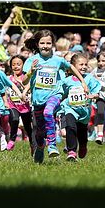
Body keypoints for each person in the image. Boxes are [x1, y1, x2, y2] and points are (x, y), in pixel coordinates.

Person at [23, 30, 87, 163]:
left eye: (48, 43)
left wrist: (83, 81)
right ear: (37, 44)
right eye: (42, 43)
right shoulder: (31, 60)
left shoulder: (58, 60)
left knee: (48, 112)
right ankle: (40, 147)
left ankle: (52, 145)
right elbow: (23, 81)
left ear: (52, 44)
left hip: (55, 95)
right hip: (38, 99)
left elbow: (72, 68)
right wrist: (30, 72)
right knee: (40, 131)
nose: (45, 46)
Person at [60, 53, 101, 161]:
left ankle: (83, 145)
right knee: (70, 127)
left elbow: (98, 92)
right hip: (70, 109)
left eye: (85, 64)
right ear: (73, 66)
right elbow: (61, 94)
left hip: (84, 111)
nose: (83, 67)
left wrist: (93, 95)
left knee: (82, 132)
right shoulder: (67, 81)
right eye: (80, 64)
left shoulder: (89, 79)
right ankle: (72, 151)